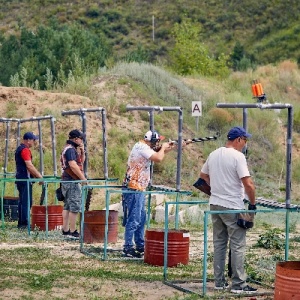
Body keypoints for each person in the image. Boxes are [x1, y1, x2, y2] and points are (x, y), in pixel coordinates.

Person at [200, 126, 257, 294]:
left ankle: (219, 282)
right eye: (245, 140)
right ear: (238, 139)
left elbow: (203, 176)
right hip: (232, 205)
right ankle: (239, 284)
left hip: (215, 204)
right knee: (238, 244)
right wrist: (253, 204)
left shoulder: (214, 154)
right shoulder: (238, 157)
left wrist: (217, 188)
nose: (245, 144)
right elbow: (248, 184)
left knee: (219, 243)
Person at [122, 130, 175, 258]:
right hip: (134, 187)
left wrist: (171, 147)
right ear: (151, 141)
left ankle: (140, 245)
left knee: (141, 218)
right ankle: (128, 247)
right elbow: (158, 158)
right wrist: (163, 148)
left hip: (138, 187)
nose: (158, 143)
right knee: (134, 219)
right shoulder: (142, 147)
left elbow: (157, 153)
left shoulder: (143, 146)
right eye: (157, 141)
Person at [60, 129, 87, 238]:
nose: (82, 141)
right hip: (72, 180)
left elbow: (80, 162)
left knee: (67, 206)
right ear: (76, 139)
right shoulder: (71, 150)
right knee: (74, 207)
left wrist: (82, 152)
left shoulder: (69, 148)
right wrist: (83, 179)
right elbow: (73, 165)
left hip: (67, 180)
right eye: (81, 139)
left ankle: (66, 230)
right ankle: (73, 231)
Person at [15, 132, 43, 229]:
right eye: (33, 140)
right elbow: (29, 166)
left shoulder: (19, 149)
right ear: (28, 140)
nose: (34, 142)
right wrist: (40, 177)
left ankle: (22, 223)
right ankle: (24, 224)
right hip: (25, 179)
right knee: (26, 202)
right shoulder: (25, 150)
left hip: (20, 178)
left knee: (22, 201)